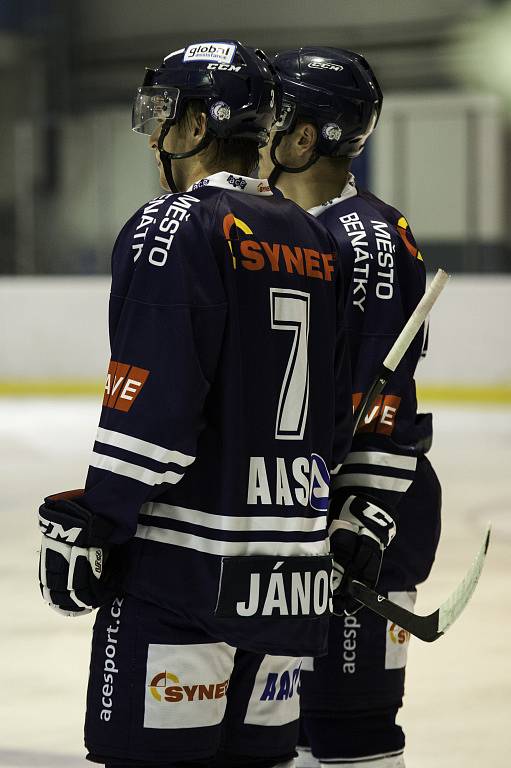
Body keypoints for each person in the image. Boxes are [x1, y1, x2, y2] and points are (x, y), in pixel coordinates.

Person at [37, 40, 359, 768]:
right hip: (288, 582)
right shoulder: (314, 238)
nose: (157, 134)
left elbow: (153, 402)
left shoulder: (176, 221)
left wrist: (97, 519)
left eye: (166, 114)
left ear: (197, 124)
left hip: (185, 575)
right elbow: (333, 420)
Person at [259, 47, 442, 768]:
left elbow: (381, 401)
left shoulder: (363, 237)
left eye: (271, 112)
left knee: (347, 729)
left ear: (305, 136)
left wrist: (358, 516)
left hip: (356, 530)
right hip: (293, 529)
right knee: (288, 732)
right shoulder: (274, 221)